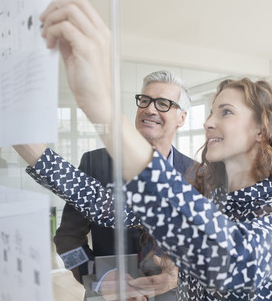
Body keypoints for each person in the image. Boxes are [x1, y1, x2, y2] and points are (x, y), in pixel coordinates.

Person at [13, 0, 272, 300]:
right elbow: (99, 203)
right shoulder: (205, 190)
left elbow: (237, 263)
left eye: (225, 112)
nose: (209, 122)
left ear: (261, 130)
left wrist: (102, 105)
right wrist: (12, 128)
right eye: (211, 112)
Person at [54, 70, 195, 300]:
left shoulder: (197, 174)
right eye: (145, 100)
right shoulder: (94, 162)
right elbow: (66, 240)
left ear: (182, 118)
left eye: (163, 103)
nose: (150, 109)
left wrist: (180, 276)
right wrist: (98, 276)